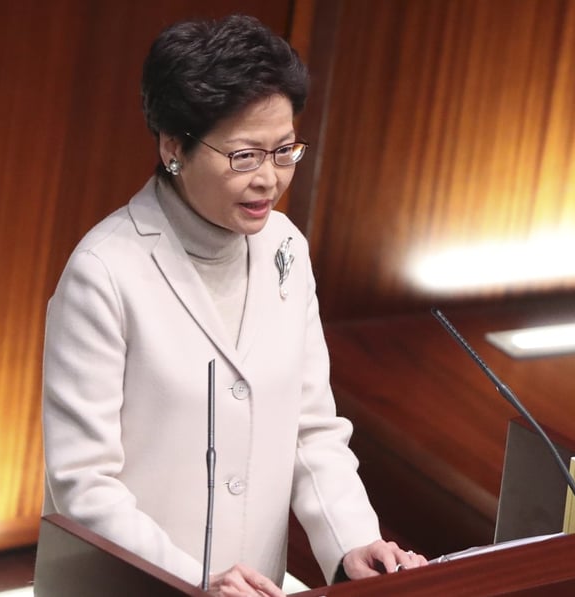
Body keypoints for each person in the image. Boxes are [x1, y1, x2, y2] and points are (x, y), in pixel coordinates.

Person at [41, 13, 427, 596]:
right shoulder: (103, 273)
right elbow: (84, 483)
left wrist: (353, 543)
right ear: (174, 147)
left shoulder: (286, 248)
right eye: (245, 156)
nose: (269, 179)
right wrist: (193, 580)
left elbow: (310, 429)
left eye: (284, 151)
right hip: (138, 586)